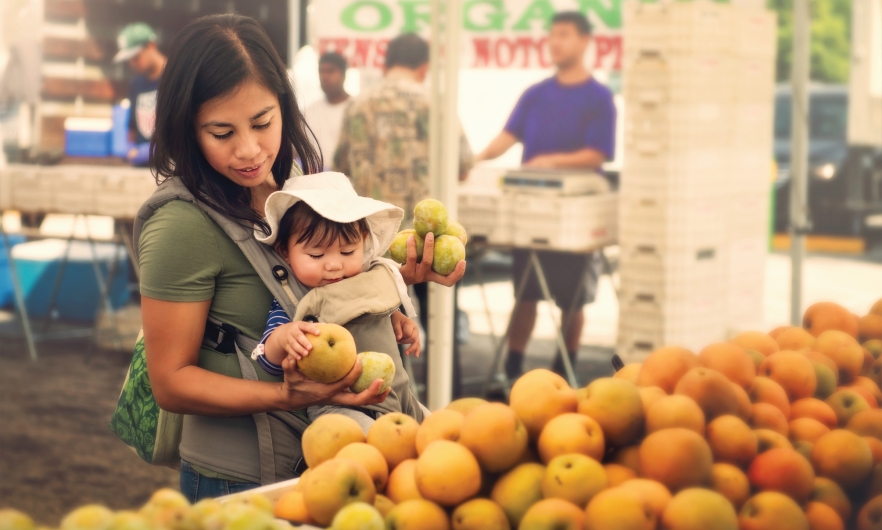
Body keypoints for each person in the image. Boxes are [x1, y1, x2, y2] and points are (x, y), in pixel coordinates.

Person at [141, 14, 462, 500]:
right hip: (239, 480)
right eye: (221, 132)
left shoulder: (295, 187)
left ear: (285, 107)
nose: (249, 150)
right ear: (187, 128)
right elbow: (171, 383)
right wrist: (287, 395)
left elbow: (323, 282)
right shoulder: (180, 224)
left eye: (263, 123)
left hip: (336, 464)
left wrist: (394, 280)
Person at [476, 11, 616, 380]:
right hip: (532, 215)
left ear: (585, 41)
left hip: (575, 219)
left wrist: (553, 160)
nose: (556, 42)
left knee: (573, 301)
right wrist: (473, 161)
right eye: (552, 35)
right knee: (525, 295)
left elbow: (597, 154)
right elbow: (506, 137)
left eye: (565, 35)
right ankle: (512, 369)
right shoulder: (535, 94)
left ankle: (563, 369)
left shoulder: (599, 98)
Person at [335, 33, 473, 360]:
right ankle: (445, 398)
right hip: (431, 241)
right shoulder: (435, 103)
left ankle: (390, 398)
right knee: (442, 328)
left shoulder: (358, 104)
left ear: (386, 64)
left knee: (381, 329)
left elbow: (340, 167)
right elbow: (464, 165)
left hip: (374, 240)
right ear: (424, 66)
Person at [252, 172, 426, 432]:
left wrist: (396, 319)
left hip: (398, 394)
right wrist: (284, 337)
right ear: (285, 253)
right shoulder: (294, 298)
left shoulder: (365, 279)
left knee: (438, 437)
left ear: (364, 244)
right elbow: (267, 357)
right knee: (375, 447)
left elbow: (370, 311)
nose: (334, 264)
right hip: (341, 407)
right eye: (316, 254)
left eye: (347, 252)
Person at [113, 22, 166, 165]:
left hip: (169, 169)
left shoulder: (175, 77)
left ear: (151, 46)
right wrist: (130, 149)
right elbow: (132, 126)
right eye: (129, 59)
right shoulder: (136, 84)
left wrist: (160, 151)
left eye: (135, 56)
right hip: (142, 166)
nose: (132, 63)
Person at [303, 53, 351, 170]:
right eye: (321, 71)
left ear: (343, 75)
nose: (325, 76)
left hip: (348, 182)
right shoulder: (308, 112)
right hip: (314, 180)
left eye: (331, 71)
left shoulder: (357, 110)